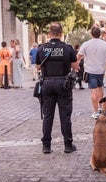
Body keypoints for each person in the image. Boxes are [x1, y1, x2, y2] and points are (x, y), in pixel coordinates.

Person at [35, 22, 78, 154]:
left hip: (47, 83)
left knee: (48, 116)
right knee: (65, 116)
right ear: (61, 33)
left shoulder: (42, 48)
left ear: (49, 33)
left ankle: (46, 146)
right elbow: (75, 66)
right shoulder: (68, 48)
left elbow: (37, 67)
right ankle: (68, 145)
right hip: (63, 84)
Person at [76, 26, 106, 119]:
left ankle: (96, 111)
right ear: (100, 34)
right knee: (100, 88)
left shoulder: (86, 44)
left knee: (94, 91)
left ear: (91, 34)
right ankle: (101, 108)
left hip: (91, 71)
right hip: (101, 71)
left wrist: (76, 66)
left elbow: (78, 57)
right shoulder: (105, 44)